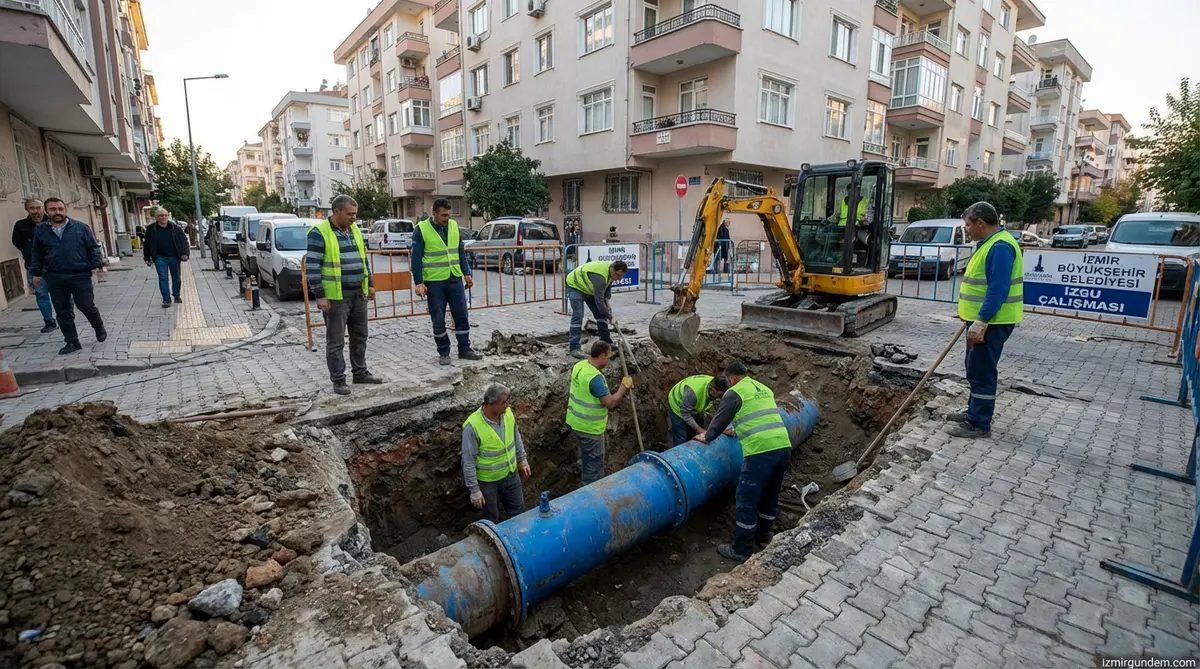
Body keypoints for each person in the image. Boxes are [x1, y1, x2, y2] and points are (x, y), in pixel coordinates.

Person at [697, 361, 793, 563]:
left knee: (746, 498)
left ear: (732, 378)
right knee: (770, 493)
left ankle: (741, 549)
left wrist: (707, 436)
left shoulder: (734, 392)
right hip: (783, 445)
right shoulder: (763, 388)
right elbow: (756, 416)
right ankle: (763, 537)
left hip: (761, 450)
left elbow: (720, 420)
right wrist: (735, 429)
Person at [947, 201, 1023, 439]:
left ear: (980, 223)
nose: (967, 229)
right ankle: (973, 413)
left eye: (968, 225)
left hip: (992, 322)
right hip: (982, 321)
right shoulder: (990, 243)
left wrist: (982, 320)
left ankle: (979, 424)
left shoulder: (1000, 247)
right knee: (975, 369)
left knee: (982, 372)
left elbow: (998, 289)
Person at [305, 194, 384, 395]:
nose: (354, 218)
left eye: (355, 214)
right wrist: (320, 295)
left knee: (360, 336)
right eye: (350, 214)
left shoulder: (354, 230)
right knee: (336, 341)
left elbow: (363, 259)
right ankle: (339, 380)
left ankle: (360, 372)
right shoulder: (319, 233)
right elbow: (312, 266)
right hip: (336, 297)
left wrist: (370, 284)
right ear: (336, 211)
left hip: (358, 293)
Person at [29, 198, 106, 355]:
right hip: (55, 276)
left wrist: (96, 265)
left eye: (60, 209)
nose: (57, 212)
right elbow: (36, 252)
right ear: (46, 211)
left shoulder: (81, 227)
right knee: (63, 311)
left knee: (85, 305)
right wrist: (36, 273)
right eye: (52, 209)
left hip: (80, 274)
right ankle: (72, 341)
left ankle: (98, 326)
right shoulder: (41, 230)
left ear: (65, 210)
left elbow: (93, 247)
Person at [412, 198, 483, 365]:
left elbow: (460, 251)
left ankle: (464, 349)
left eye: (448, 215)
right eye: (443, 215)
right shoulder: (421, 229)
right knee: (438, 318)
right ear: (434, 213)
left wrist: (467, 273)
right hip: (435, 281)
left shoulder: (453, 226)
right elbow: (416, 258)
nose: (447, 218)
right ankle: (444, 352)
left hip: (454, 278)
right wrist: (419, 282)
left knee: (462, 315)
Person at [462, 383, 531, 523]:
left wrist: (522, 460)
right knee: (491, 518)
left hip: (511, 475)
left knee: (518, 513)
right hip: (489, 483)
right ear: (491, 404)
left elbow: (516, 437)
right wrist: (475, 490)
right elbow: (468, 460)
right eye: (503, 402)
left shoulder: (507, 414)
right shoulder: (473, 426)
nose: (507, 405)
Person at [565, 340, 632, 486]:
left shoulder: (580, 365)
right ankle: (591, 492)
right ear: (602, 356)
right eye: (608, 356)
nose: (608, 360)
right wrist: (623, 387)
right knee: (594, 470)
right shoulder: (595, 379)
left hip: (574, 421)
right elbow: (610, 403)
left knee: (588, 458)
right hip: (590, 429)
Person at [565, 260, 628, 359]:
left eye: (621, 276)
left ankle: (606, 342)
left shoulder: (611, 274)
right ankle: (574, 348)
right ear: (612, 269)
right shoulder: (600, 278)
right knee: (578, 315)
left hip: (588, 288)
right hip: (575, 285)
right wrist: (610, 316)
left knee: (601, 314)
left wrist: (607, 302)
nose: (619, 278)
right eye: (618, 275)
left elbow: (607, 290)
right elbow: (599, 302)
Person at [10, 198, 56, 333]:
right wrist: (29, 253)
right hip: (34, 267)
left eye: (38, 208)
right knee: (41, 295)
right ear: (27, 209)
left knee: (62, 293)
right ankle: (49, 321)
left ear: (43, 209)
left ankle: (66, 317)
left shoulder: (53, 222)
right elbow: (17, 242)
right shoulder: (21, 226)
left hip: (55, 266)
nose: (35, 211)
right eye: (32, 208)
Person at [142, 208, 189, 308]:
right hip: (159, 257)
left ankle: (176, 295)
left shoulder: (175, 228)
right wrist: (147, 257)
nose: (163, 217)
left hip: (174, 257)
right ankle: (166, 299)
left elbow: (184, 241)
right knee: (163, 278)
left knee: (176, 278)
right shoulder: (151, 229)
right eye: (160, 215)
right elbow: (147, 243)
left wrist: (184, 253)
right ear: (156, 217)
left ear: (168, 216)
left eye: (165, 215)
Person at [667, 374, 729, 446]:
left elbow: (715, 411)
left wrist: (722, 428)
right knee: (680, 436)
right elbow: (685, 413)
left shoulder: (717, 385)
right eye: (720, 395)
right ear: (713, 390)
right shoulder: (694, 393)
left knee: (693, 430)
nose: (720, 397)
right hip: (678, 405)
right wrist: (700, 430)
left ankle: (691, 443)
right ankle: (679, 450)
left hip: (694, 407)